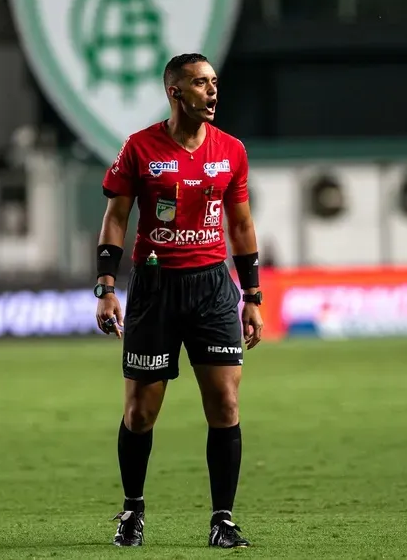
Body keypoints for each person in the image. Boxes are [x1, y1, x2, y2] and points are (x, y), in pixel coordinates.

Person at [94, 53, 263, 549]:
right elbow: (116, 218)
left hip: (213, 286)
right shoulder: (140, 148)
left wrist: (251, 294)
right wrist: (106, 286)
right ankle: (132, 511)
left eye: (214, 82)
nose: (211, 92)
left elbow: (241, 225)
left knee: (226, 403)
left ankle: (223, 520)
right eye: (199, 83)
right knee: (140, 413)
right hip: (154, 287)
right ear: (175, 92)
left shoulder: (231, 150)